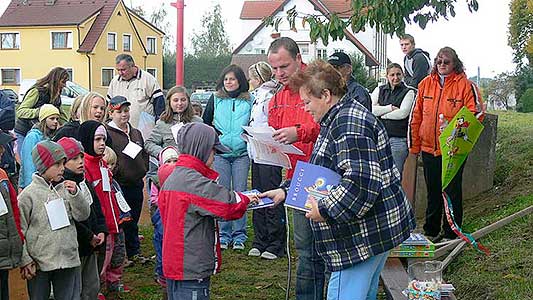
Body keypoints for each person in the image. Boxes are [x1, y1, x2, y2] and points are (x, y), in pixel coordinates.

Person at [261, 60, 416, 300]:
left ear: (325, 95)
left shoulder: (348, 124)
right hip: (372, 231)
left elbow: (361, 184)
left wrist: (324, 210)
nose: (305, 109)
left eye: (307, 102)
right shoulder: (337, 116)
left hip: (362, 236)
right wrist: (287, 190)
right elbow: (324, 171)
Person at [157, 122, 251, 300]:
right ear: (202, 149)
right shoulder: (193, 182)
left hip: (175, 262)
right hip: (191, 266)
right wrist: (248, 199)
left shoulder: (176, 177)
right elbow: (227, 205)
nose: (215, 156)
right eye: (213, 150)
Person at [409, 46, 485, 243]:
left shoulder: (466, 85)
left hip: (453, 149)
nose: (442, 65)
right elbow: (415, 116)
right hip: (428, 147)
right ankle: (431, 231)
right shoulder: (425, 84)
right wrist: (414, 146)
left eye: (446, 62)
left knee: (451, 191)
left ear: (455, 63)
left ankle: (452, 232)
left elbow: (476, 113)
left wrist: (453, 127)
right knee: (432, 190)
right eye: (439, 61)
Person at [267, 37, 321, 299]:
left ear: (299, 59)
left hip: (324, 174)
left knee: (325, 246)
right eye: (274, 69)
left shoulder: (319, 85)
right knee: (304, 246)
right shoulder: (277, 98)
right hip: (295, 177)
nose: (279, 74)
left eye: (284, 67)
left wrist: (298, 132)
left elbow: (330, 123)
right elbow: (274, 133)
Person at [18, 140, 91, 300]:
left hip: (68, 258)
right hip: (40, 263)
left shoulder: (67, 188)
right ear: (43, 166)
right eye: (57, 164)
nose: (62, 168)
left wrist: (76, 195)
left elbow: (83, 215)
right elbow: (20, 230)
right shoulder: (27, 196)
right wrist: (25, 259)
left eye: (63, 163)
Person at [203, 65, 253, 251]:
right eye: (226, 79)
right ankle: (223, 234)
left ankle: (239, 234)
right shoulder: (215, 98)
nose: (229, 82)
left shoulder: (250, 100)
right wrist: (215, 140)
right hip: (221, 155)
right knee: (222, 193)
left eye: (232, 79)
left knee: (240, 193)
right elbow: (206, 122)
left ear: (240, 81)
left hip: (241, 154)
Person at [57, 137, 108, 300]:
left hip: (91, 247)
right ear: (63, 162)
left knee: (92, 287)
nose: (80, 161)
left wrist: (101, 230)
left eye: (81, 157)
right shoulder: (62, 186)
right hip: (75, 249)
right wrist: (89, 237)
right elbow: (70, 219)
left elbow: (97, 209)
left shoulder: (85, 181)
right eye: (74, 158)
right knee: (74, 290)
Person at [79, 121, 125, 298]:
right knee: (97, 265)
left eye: (103, 139)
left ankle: (102, 288)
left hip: (111, 225)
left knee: (109, 260)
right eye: (97, 139)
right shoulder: (85, 168)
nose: (102, 143)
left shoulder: (102, 164)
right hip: (98, 228)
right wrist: (99, 227)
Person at [246, 61, 286, 260]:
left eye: (252, 77)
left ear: (260, 78)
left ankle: (276, 242)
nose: (250, 81)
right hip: (256, 152)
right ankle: (260, 239)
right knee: (258, 193)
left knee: (271, 195)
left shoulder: (271, 96)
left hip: (270, 152)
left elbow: (273, 123)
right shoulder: (257, 96)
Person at [106, 96, 149, 265]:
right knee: (122, 220)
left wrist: (143, 168)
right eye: (119, 112)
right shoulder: (108, 134)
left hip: (136, 182)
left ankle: (134, 251)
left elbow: (143, 153)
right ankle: (122, 255)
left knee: (134, 218)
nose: (124, 115)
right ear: (111, 113)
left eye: (126, 111)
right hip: (120, 184)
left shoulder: (135, 132)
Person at [371, 63, 416, 176]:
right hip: (378, 139)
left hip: (398, 141)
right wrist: (390, 108)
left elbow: (402, 113)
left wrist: (382, 114)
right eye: (392, 75)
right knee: (377, 175)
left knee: (394, 176)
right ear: (387, 76)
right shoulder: (380, 90)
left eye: (398, 74)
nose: (395, 78)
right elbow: (370, 109)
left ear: (403, 75)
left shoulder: (408, 92)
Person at [14, 67, 69, 155]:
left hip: (42, 133)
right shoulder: (37, 91)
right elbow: (21, 111)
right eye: (63, 82)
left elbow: (61, 115)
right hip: (24, 132)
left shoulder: (56, 96)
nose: (65, 85)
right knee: (24, 160)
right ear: (55, 80)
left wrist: (67, 127)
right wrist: (41, 112)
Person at [107, 54, 165, 137]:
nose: (120, 73)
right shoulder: (114, 82)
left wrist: (158, 126)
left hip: (144, 132)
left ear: (132, 66)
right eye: (118, 70)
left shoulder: (148, 79)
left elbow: (160, 105)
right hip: (119, 131)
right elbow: (109, 106)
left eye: (123, 69)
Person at [148, 146, 179, 289]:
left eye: (175, 161)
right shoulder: (156, 180)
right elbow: (153, 198)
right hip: (161, 214)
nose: (172, 164)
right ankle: (161, 273)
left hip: (175, 217)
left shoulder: (181, 179)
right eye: (168, 161)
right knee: (161, 244)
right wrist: (165, 197)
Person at [145, 86, 203, 158]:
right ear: (169, 102)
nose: (180, 103)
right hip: (171, 165)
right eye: (175, 100)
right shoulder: (162, 123)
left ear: (188, 101)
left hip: (193, 164)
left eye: (183, 100)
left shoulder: (198, 122)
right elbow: (149, 143)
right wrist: (163, 153)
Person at [0, 132, 23, 300]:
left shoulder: (2, 175)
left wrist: (18, 238)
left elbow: (14, 209)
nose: (2, 150)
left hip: (4, 249)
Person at [19, 104, 61, 189]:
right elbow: (28, 163)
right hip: (32, 184)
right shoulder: (33, 137)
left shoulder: (50, 136)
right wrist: (31, 186)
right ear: (44, 120)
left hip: (46, 183)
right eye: (52, 118)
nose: (55, 121)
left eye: (57, 119)